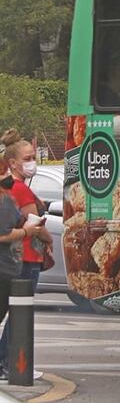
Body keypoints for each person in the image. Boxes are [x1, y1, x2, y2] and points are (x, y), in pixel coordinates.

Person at [1, 133, 51, 378]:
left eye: (34, 157)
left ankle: (8, 362)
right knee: (20, 314)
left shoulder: (15, 189)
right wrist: (48, 239)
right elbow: (35, 224)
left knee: (16, 313)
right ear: (12, 163)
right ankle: (10, 363)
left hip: (20, 257)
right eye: (28, 158)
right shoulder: (18, 189)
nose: (33, 163)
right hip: (26, 257)